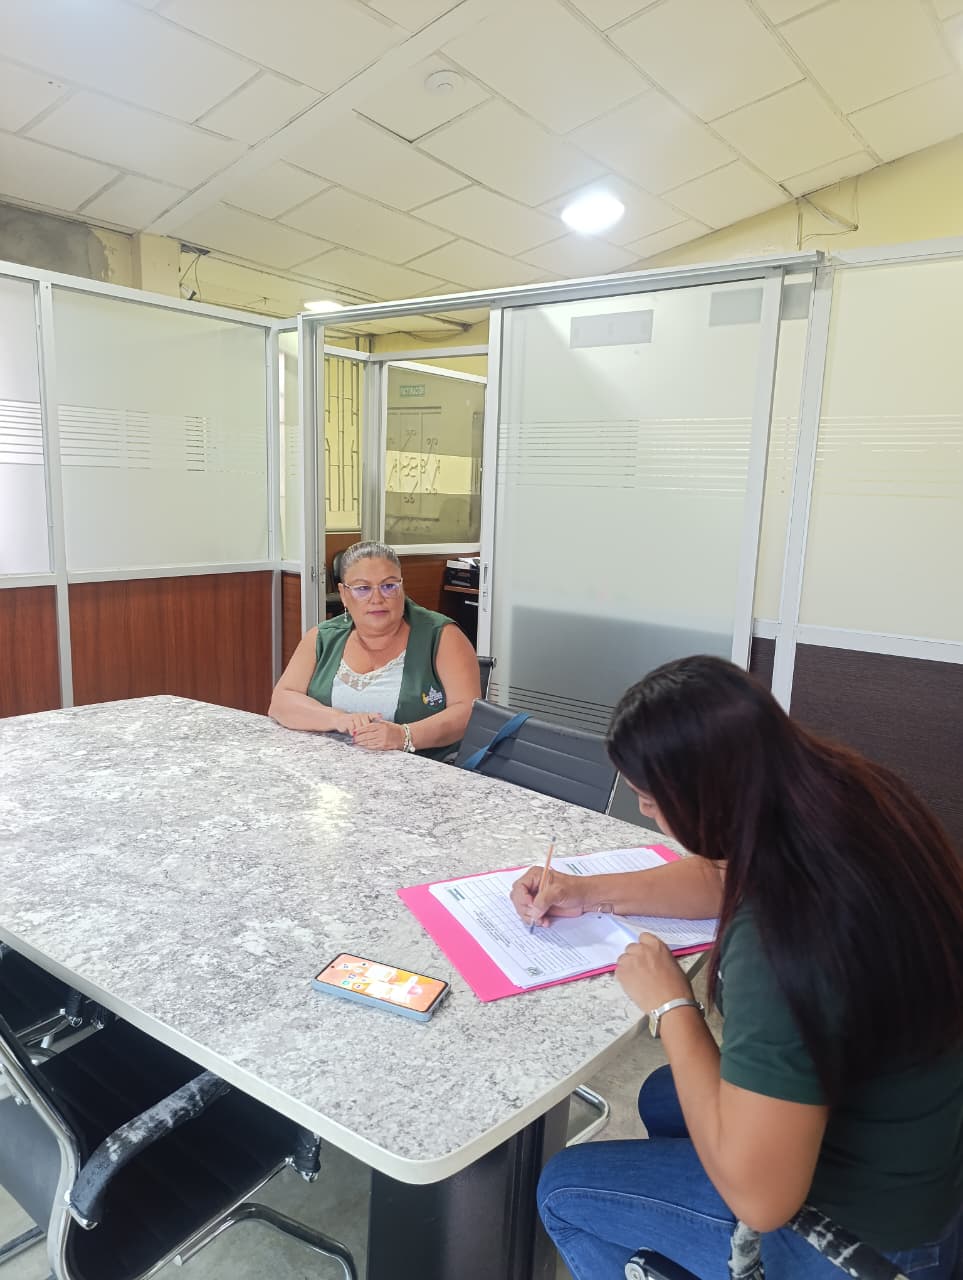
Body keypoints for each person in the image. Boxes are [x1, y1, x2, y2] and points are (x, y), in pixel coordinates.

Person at [511, 655, 963, 1280]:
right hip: (922, 1145)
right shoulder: (842, 793)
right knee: (662, 1097)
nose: (646, 813)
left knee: (564, 1190)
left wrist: (671, 1006)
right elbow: (724, 874)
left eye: (650, 800)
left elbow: (762, 1200)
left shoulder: (781, 937)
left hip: (872, 1239)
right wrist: (585, 891)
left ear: (706, 803)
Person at [269, 541, 479, 759]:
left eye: (389, 586)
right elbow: (282, 702)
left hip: (422, 769)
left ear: (402, 586)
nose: (377, 599)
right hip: (330, 766)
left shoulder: (442, 636)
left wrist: (404, 736)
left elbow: (468, 711)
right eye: (363, 588)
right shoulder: (322, 637)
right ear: (343, 594)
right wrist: (338, 719)